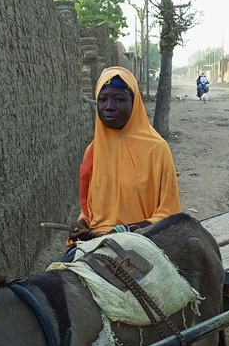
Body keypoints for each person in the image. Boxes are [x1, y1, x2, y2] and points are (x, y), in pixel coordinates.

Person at [66, 65, 182, 255]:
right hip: (95, 244)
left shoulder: (157, 149)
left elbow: (169, 214)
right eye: (102, 100)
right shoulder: (93, 151)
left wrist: (123, 231)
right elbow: (92, 210)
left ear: (134, 104)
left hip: (144, 243)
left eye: (119, 99)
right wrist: (82, 224)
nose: (109, 106)